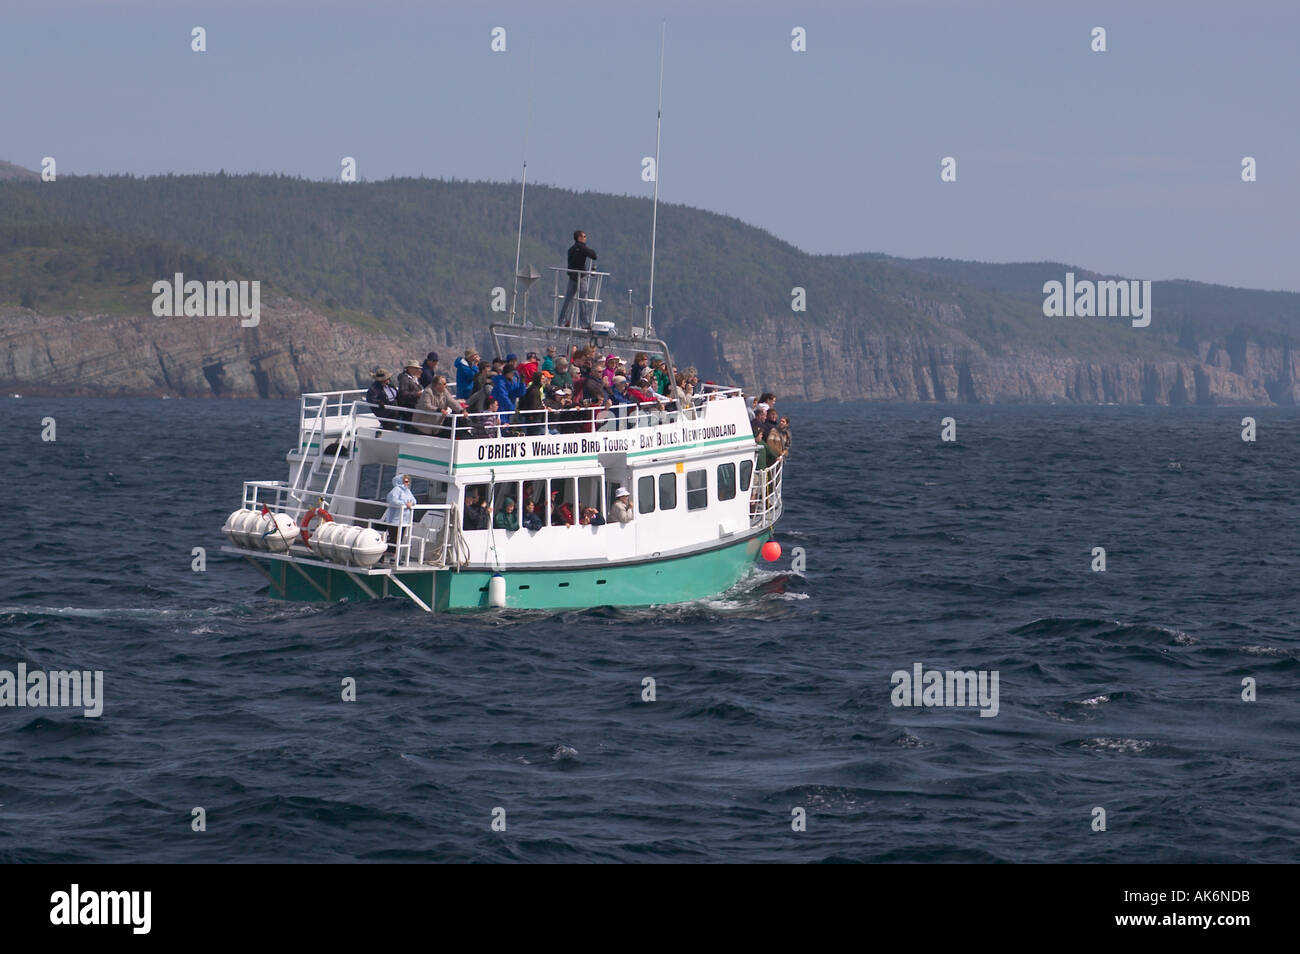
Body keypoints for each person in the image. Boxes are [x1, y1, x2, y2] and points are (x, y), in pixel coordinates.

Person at [558, 230, 598, 327]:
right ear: (579, 238)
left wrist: (570, 273)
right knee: (582, 300)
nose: (585, 238)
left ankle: (562, 321)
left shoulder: (571, 249)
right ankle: (584, 323)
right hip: (581, 278)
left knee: (568, 300)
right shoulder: (583, 248)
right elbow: (594, 255)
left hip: (572, 277)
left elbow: (570, 264)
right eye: (584, 236)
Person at [381, 474, 416, 557]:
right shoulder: (396, 490)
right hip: (395, 520)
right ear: (401, 481)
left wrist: (411, 503)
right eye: (406, 481)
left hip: (405, 520)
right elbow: (393, 501)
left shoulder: (407, 491)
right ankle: (385, 555)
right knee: (393, 538)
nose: (408, 483)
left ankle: (394, 557)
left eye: (408, 481)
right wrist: (404, 504)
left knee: (399, 539)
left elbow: (414, 500)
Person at [395, 360, 423, 429]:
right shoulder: (405, 379)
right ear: (410, 369)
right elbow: (403, 393)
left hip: (413, 405)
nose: (418, 370)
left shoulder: (412, 378)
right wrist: (417, 394)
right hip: (408, 407)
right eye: (416, 368)